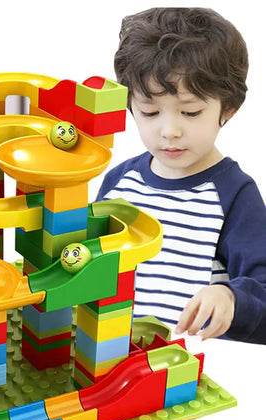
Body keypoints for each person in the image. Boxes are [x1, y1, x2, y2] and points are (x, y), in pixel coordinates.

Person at [96, 7, 266, 344]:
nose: (169, 130)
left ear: (228, 108)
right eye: (149, 111)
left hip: (185, 361)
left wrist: (229, 297)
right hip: (108, 353)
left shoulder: (234, 194)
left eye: (190, 112)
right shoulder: (119, 183)